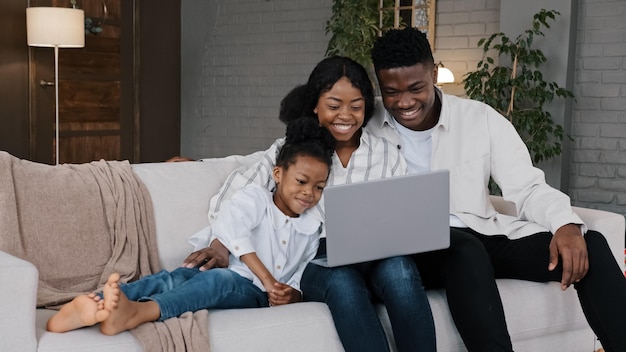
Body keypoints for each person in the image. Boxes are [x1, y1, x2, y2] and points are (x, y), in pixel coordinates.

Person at [367, 27, 626, 352]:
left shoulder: (479, 118)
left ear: (434, 73)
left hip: (478, 233)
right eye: (391, 91)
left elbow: (527, 187)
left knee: (590, 244)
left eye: (416, 87)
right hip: (411, 248)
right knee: (463, 249)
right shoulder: (363, 123)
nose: (404, 101)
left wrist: (565, 224)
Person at [186, 56, 436, 352]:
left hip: (374, 252)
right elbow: (235, 196)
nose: (345, 116)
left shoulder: (386, 153)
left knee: (401, 271)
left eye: (356, 106)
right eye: (333, 106)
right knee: (342, 282)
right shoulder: (290, 150)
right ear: (315, 105)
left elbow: (403, 210)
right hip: (315, 257)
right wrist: (219, 245)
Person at [46, 117, 336, 335]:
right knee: (176, 277)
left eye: (319, 187)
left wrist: (289, 294)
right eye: (301, 181)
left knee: (217, 281)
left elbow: (300, 275)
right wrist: (269, 277)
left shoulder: (313, 226)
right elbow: (231, 230)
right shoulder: (256, 199)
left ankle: (139, 312)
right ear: (278, 174)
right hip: (242, 275)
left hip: (254, 293)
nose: (309, 193)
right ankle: (89, 305)